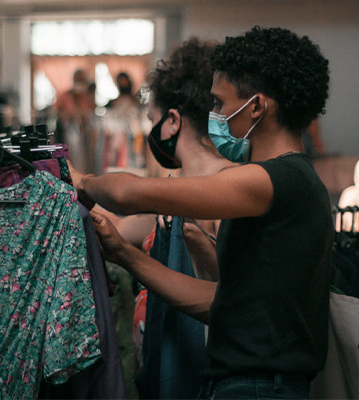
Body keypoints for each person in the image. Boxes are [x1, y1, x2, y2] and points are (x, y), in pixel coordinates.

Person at [69, 26, 333, 399]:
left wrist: (80, 180)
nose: (215, 115)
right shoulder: (286, 182)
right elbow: (217, 303)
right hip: (240, 383)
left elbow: (130, 194)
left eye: (220, 103)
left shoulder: (278, 180)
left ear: (256, 106)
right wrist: (124, 255)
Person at [100, 38, 233, 399]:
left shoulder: (229, 190)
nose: (150, 131)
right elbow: (120, 228)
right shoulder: (174, 193)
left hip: (202, 377)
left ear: (172, 121)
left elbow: (234, 298)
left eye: (152, 120)